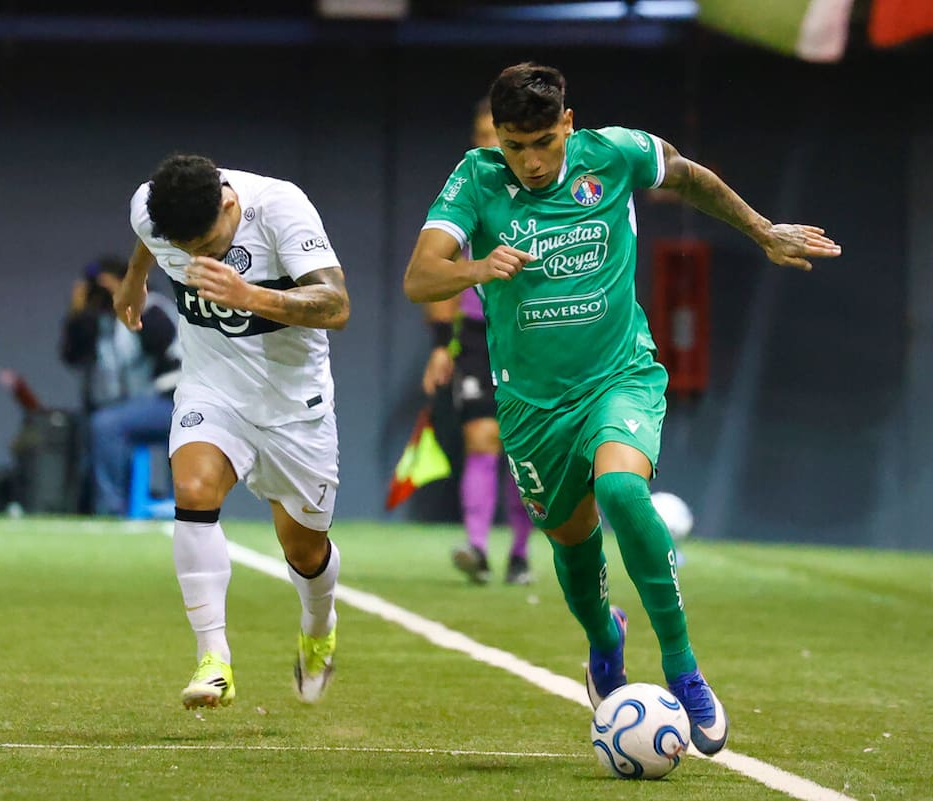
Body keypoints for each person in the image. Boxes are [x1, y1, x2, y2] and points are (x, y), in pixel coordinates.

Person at [402, 62, 840, 754]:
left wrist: (762, 230)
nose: (531, 160)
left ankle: (684, 667)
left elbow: (688, 175)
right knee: (573, 550)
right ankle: (605, 640)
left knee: (621, 490)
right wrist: (477, 267)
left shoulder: (615, 153)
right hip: (533, 404)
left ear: (567, 125)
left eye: (543, 141)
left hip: (619, 375)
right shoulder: (476, 178)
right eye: (516, 146)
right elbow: (419, 274)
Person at [114, 154, 349, 709]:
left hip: (295, 403)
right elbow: (147, 237)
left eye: (208, 243)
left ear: (227, 202)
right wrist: (134, 279)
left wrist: (251, 296)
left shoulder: (278, 208)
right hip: (212, 387)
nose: (198, 257)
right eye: (185, 247)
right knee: (193, 491)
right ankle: (214, 659)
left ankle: (319, 626)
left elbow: (337, 304)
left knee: (304, 549)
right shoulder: (152, 211)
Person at [422, 98, 535, 586]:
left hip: (531, 334)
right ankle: (477, 546)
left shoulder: (541, 191)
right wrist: (437, 345)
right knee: (482, 438)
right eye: (481, 131)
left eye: (498, 132)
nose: (488, 140)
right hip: (475, 337)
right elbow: (435, 270)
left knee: (524, 448)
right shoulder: (465, 193)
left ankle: (521, 553)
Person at [60, 255, 180, 516]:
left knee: (106, 425)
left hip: (176, 403)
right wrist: (78, 310)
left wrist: (127, 297)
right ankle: (106, 505)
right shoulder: (103, 322)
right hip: (137, 406)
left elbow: (167, 352)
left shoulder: (152, 308)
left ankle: (112, 510)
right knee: (96, 424)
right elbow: (71, 355)